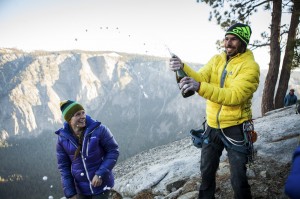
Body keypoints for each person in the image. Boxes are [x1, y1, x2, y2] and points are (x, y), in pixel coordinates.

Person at [169, 23, 260, 199]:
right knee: (206, 171)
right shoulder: (217, 59)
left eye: (234, 39)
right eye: (226, 38)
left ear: (243, 42)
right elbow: (200, 77)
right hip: (211, 125)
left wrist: (200, 87)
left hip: (235, 126)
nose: (228, 43)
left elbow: (234, 96)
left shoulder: (250, 67)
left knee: (238, 177)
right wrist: (182, 66)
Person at [55, 100, 119, 199]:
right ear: (69, 119)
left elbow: (113, 151)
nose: (82, 117)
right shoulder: (62, 139)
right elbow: (64, 167)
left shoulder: (99, 129)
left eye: (83, 112)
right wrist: (71, 193)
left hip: (102, 186)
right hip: (81, 190)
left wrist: (100, 174)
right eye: (77, 114)